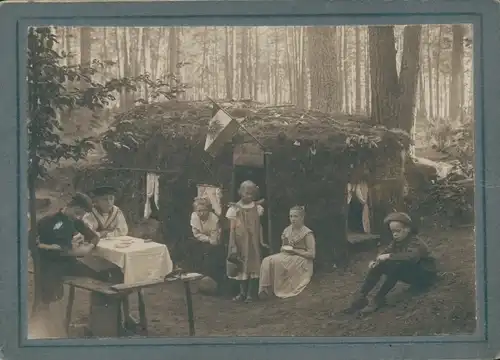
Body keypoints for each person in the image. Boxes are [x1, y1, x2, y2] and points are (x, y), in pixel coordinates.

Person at [32, 193, 122, 337]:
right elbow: (65, 251)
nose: (79, 217)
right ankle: (44, 327)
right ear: (69, 207)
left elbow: (94, 236)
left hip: (68, 262)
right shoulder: (50, 221)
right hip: (50, 265)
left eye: (82, 215)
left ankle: (101, 323)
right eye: (77, 213)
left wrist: (88, 245)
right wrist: (78, 250)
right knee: (50, 298)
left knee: (102, 275)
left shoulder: (74, 219)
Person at [344, 212, 437, 314]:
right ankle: (361, 297)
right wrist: (376, 261)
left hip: (425, 276)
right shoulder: (397, 242)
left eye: (398, 231)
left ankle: (378, 299)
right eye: (393, 232)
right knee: (381, 264)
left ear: (408, 229)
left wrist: (389, 256)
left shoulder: (415, 242)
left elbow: (411, 257)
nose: (395, 234)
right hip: (412, 272)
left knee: (397, 266)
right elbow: (386, 252)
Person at [258, 205, 316, 299]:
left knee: (280, 262)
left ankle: (281, 289)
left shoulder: (307, 233)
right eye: (291, 216)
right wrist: (285, 249)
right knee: (267, 260)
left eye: (295, 216)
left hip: (302, 258)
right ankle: (266, 289)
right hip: (288, 255)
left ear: (302, 217)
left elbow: (312, 254)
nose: (293, 219)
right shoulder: (287, 230)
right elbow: (284, 247)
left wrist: (295, 251)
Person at [226, 180, 269, 302]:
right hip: (240, 242)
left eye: (251, 194)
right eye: (246, 193)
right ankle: (242, 293)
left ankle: (250, 294)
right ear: (240, 192)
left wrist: (261, 241)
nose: (248, 196)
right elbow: (232, 229)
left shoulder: (257, 208)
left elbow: (259, 226)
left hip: (253, 243)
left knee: (253, 267)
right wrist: (232, 244)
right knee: (241, 267)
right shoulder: (234, 209)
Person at [189, 197, 225, 291]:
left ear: (208, 210)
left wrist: (209, 240)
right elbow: (196, 234)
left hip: (215, 242)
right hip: (201, 240)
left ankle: (211, 280)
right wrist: (207, 239)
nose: (201, 213)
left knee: (211, 252)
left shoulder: (214, 219)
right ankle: (198, 277)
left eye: (204, 210)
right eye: (199, 210)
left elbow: (215, 239)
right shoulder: (194, 217)